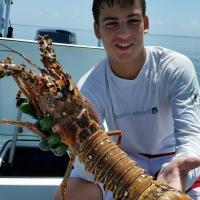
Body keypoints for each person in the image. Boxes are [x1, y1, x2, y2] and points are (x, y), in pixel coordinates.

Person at [55, 0, 200, 199]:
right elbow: (84, 160)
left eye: (132, 21)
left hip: (172, 164)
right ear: (97, 30)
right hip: (124, 169)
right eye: (111, 23)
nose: (123, 33)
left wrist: (177, 170)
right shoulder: (89, 86)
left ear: (145, 24)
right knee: (67, 194)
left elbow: (191, 138)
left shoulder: (176, 67)